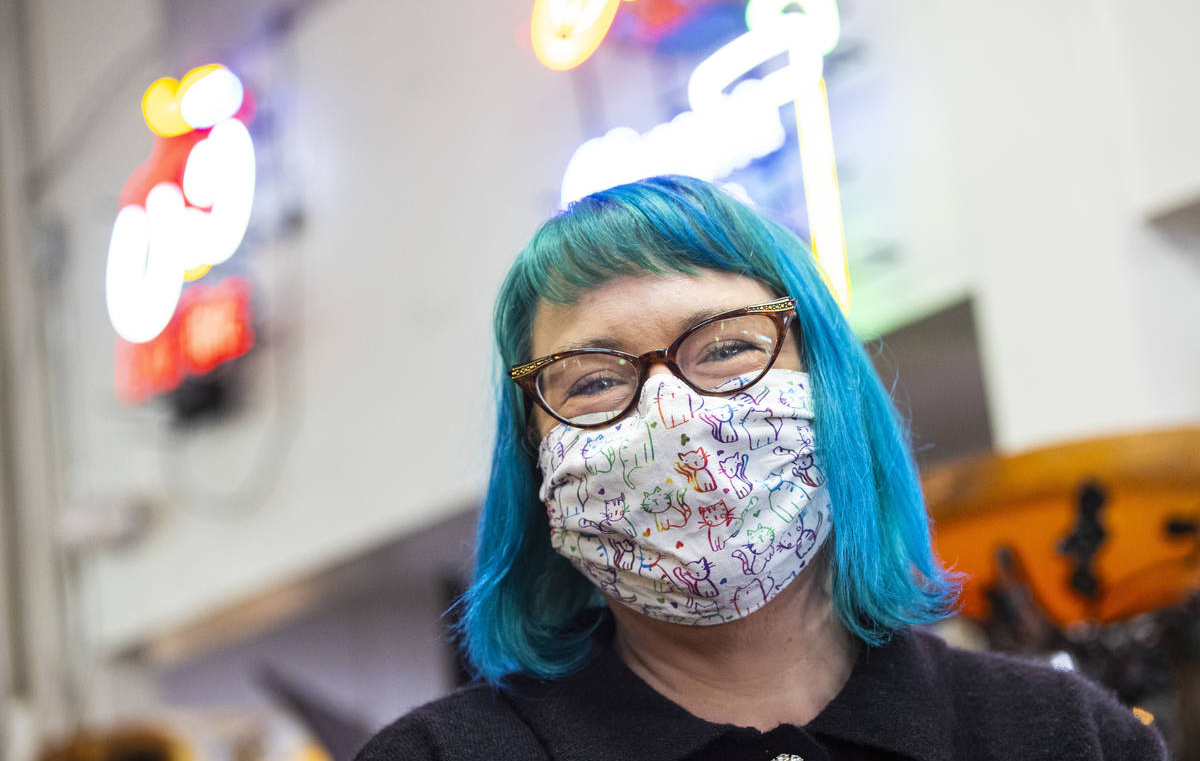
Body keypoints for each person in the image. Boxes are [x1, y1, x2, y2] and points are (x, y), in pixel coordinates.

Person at [357, 176, 1166, 760]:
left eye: (728, 348)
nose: (672, 415)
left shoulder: (1062, 737)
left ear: (830, 389)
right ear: (533, 454)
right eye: (595, 381)